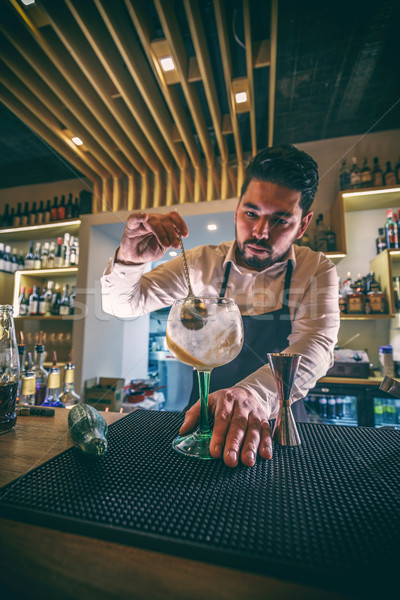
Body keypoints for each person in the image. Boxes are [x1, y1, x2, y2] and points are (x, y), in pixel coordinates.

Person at [101, 144, 340, 468]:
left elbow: (316, 347)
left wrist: (253, 395)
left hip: (276, 424)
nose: (260, 232)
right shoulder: (201, 263)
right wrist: (129, 261)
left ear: (304, 224)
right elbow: (122, 305)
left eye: (281, 220)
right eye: (251, 213)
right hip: (199, 422)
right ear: (237, 208)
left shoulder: (316, 269)